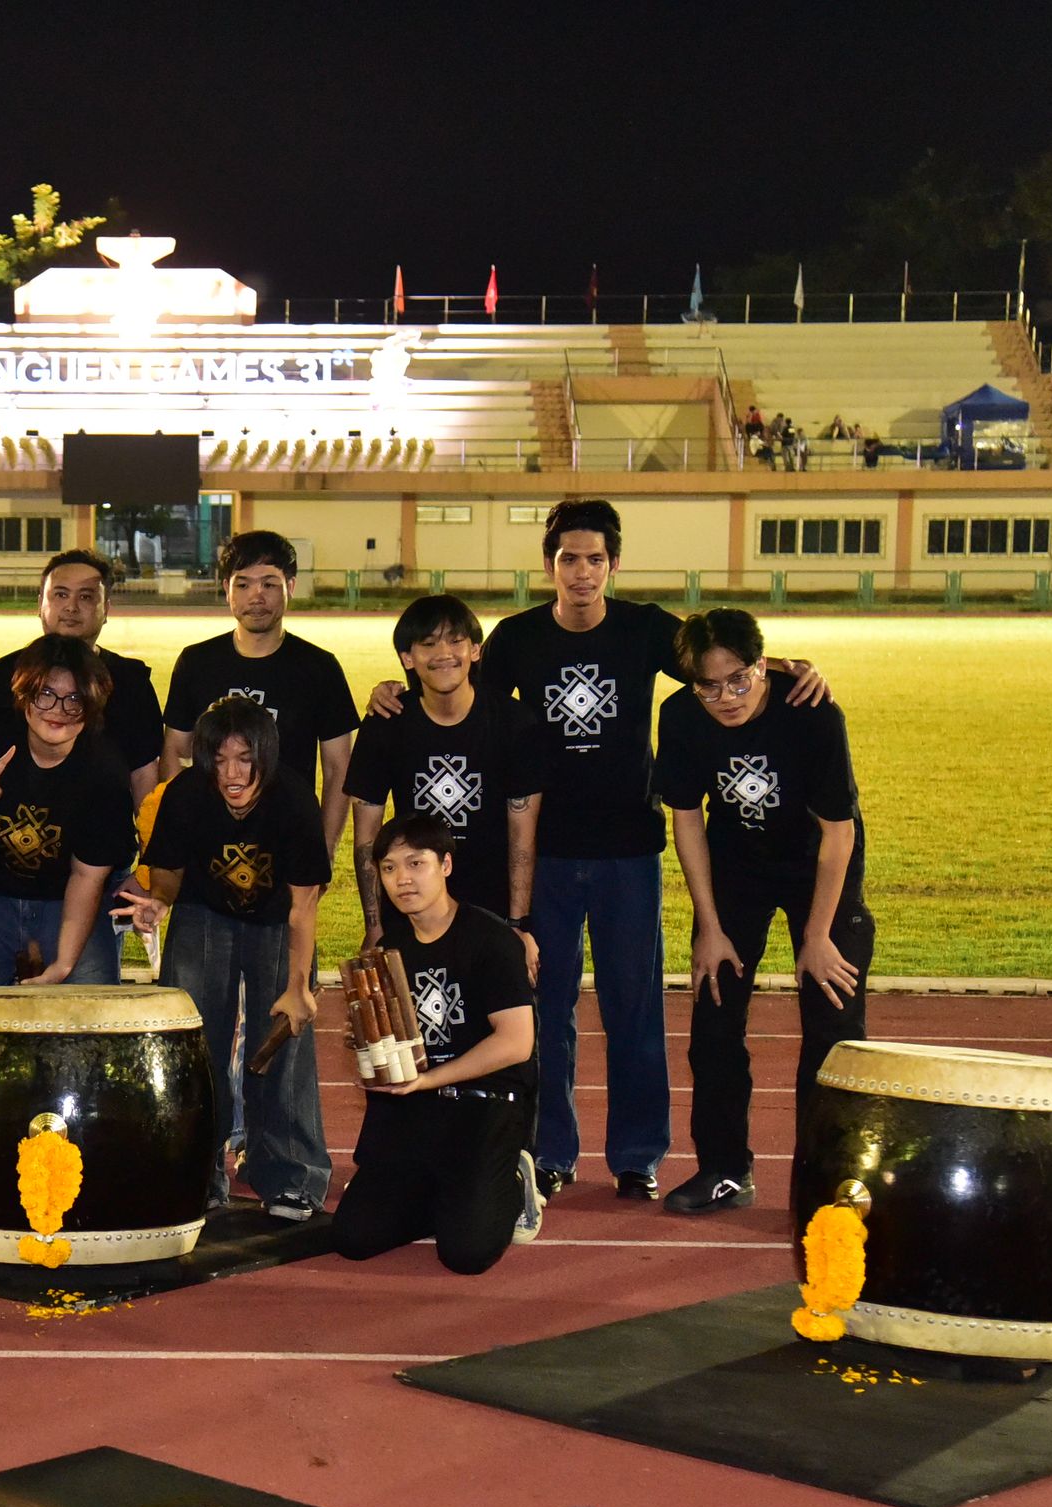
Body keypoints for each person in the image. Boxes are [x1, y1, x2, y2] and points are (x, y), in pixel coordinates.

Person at [363, 500, 828, 1203]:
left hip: (628, 850)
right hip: (547, 856)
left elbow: (721, 665)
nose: (582, 572)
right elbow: (456, 688)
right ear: (549, 565)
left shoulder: (645, 629)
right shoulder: (517, 639)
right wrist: (391, 688)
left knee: (633, 1009)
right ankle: (550, 1151)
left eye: (595, 559)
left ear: (614, 564)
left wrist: (787, 666)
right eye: (568, 559)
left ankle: (637, 1156)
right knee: (546, 1011)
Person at [653, 609, 872, 1214]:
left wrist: (819, 935)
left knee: (834, 1028)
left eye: (739, 681)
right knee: (715, 1021)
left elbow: (838, 832)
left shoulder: (813, 712)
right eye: (709, 687)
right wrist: (710, 927)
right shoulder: (681, 716)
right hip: (737, 870)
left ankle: (825, 1184)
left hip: (816, 867)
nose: (726, 698)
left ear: (760, 666)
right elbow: (687, 821)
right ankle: (724, 1170)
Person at [120, 696, 330, 1218]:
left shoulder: (294, 799)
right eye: (219, 760)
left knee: (282, 1040)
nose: (232, 775)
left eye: (245, 760)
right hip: (203, 911)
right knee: (191, 1042)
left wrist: (298, 987)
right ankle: (195, 1171)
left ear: (267, 757)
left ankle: (290, 1174)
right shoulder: (184, 795)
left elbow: (304, 904)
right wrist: (159, 903)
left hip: (277, 919)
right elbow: (167, 872)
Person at [332, 814, 542, 1274]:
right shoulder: (390, 948)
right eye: (389, 868)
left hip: (483, 1104)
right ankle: (448, 1194)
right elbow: (396, 1037)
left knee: (467, 1253)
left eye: (416, 863)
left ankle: (511, 1179)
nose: (402, 879)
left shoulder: (491, 939)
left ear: (445, 865)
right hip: (417, 1110)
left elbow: (516, 1043)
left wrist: (430, 1080)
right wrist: (368, 1040)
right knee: (353, 1237)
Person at [0, 636, 134, 999]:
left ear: (92, 706)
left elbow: (86, 877)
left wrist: (64, 964)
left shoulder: (105, 771)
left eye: (75, 699)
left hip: (65, 898)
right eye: (45, 694)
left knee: (90, 1017)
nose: (58, 710)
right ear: (24, 695)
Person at [346, 594, 543, 960]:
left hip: (491, 906)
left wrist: (518, 924)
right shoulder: (385, 723)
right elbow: (366, 838)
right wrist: (375, 925)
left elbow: (522, 834)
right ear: (407, 657)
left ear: (476, 650)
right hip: (412, 908)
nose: (444, 654)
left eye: (455, 640)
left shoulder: (513, 722)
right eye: (428, 643)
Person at [160, 530, 361, 857]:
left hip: (288, 840)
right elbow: (175, 751)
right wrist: (179, 831)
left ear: (290, 587)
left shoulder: (319, 668)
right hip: (207, 843)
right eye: (243, 585)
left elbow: (338, 767)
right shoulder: (196, 662)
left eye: (269, 584)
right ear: (226, 588)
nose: (256, 596)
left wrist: (323, 847)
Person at [0, 548, 163, 809]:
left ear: (106, 609)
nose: (71, 607)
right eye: (60, 594)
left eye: (86, 596)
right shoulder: (1, 677)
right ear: (40, 604)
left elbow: (143, 773)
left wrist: (148, 829)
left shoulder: (131, 682)